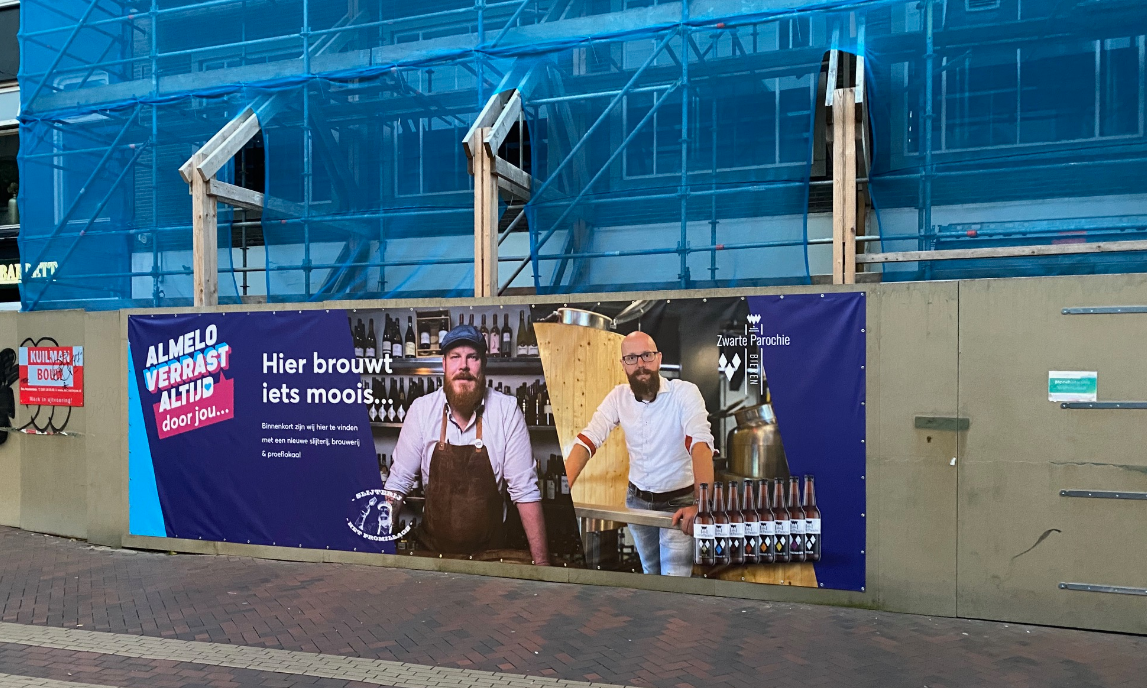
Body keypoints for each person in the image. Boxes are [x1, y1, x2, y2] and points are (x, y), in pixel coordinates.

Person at [385, 324, 550, 564]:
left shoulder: (506, 411)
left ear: (484, 364)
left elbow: (525, 492)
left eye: (472, 357)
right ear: (444, 364)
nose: (463, 366)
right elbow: (397, 483)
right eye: (455, 357)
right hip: (432, 555)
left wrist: (543, 566)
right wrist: (378, 539)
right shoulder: (422, 410)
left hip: (492, 557)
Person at [565, 331, 714, 576]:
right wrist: (565, 488)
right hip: (637, 502)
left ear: (659, 358)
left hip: (679, 503)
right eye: (631, 358)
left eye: (647, 355)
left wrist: (701, 505)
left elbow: (700, 445)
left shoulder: (685, 393)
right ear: (623, 364)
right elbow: (588, 439)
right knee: (650, 573)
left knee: (674, 582)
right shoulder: (618, 397)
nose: (640, 364)